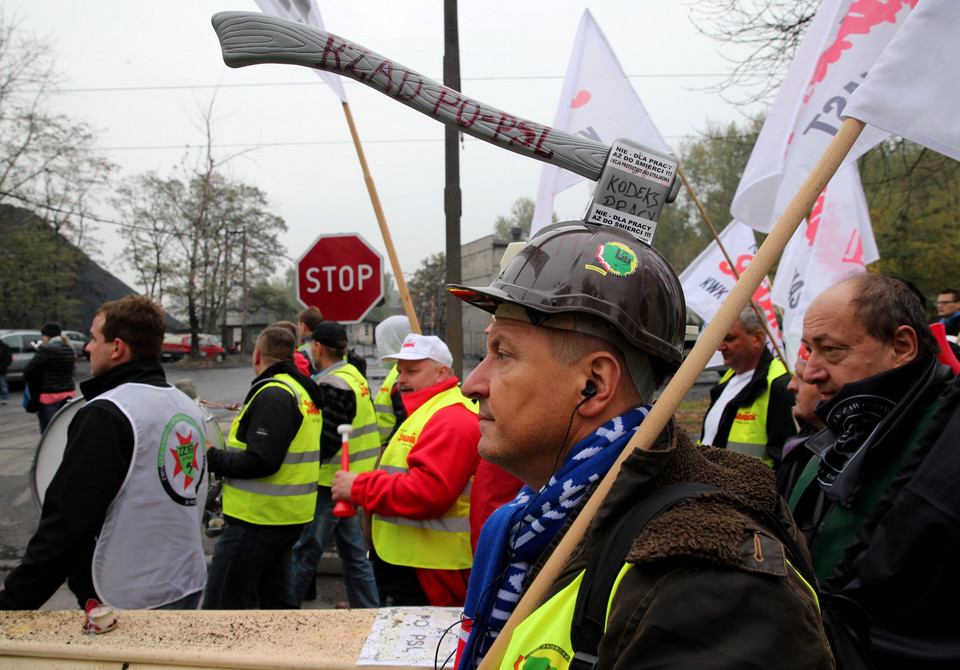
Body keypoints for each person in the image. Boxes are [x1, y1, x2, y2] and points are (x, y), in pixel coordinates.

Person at [447, 221, 832, 670]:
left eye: (503, 354)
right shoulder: (540, 519)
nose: (471, 384)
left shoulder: (699, 578)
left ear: (593, 384)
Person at [778, 273, 955, 668]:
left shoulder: (946, 444)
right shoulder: (826, 442)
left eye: (832, 350)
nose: (810, 373)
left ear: (903, 345)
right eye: (809, 351)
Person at [0, 295, 208, 610]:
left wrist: (12, 604)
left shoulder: (109, 413)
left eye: (94, 338)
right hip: (187, 582)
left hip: (127, 594)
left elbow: (66, 524)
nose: (87, 347)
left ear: (116, 347)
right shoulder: (186, 406)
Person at [331, 333, 481, 607]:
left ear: (442, 372)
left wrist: (359, 487)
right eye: (400, 371)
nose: (401, 380)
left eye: (412, 371)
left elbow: (429, 492)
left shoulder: (450, 418)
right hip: (418, 565)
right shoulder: (430, 411)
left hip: (432, 572)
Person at [203, 326, 324, 610]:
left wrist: (213, 457)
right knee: (277, 607)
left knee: (219, 610)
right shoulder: (300, 391)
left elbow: (262, 461)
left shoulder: (275, 394)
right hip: (284, 517)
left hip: (257, 520)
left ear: (256, 355)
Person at [290, 321, 379, 608]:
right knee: (354, 554)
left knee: (305, 553)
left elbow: (327, 439)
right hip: (353, 481)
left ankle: (283, 614)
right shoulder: (354, 376)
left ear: (317, 347)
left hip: (331, 482)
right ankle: (368, 613)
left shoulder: (332, 383)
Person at [700, 305, 794, 468]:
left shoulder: (780, 386)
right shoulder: (726, 382)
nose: (720, 346)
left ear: (757, 338)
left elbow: (786, 465)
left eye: (729, 338)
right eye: (720, 337)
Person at [23, 322, 76, 433]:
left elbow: (29, 370)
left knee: (49, 430)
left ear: (46, 336)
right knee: (63, 427)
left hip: (49, 395)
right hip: (68, 393)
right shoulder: (68, 348)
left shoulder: (47, 350)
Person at [372, 315, 412, 445]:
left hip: (396, 449)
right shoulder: (400, 371)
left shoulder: (404, 374)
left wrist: (388, 445)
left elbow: (405, 421)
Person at [297, 306, 324, 371]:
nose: (298, 328)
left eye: (299, 325)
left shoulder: (303, 352)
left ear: (303, 326)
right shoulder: (328, 344)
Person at [0, 337, 11, 404]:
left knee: (3, 384)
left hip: (2, 370)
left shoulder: (5, 347)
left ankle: (4, 398)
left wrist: (2, 366)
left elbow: (8, 358)